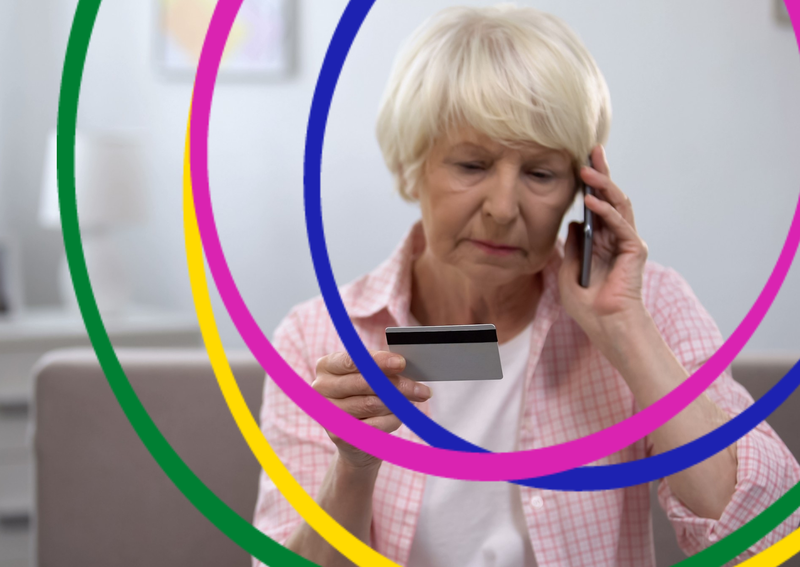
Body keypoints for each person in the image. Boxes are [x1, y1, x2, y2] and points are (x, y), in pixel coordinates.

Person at [253, 5, 800, 566]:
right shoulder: (315, 335)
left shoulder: (647, 306)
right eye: (471, 165)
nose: (503, 209)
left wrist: (625, 331)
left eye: (540, 174)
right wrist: (354, 466)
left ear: (581, 191)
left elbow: (770, 542)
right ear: (412, 166)